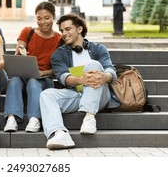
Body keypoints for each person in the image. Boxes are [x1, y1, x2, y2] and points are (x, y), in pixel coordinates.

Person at [40, 13, 119, 150]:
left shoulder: (98, 49)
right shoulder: (59, 54)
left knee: (93, 65)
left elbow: (111, 72)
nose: (64, 33)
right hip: (76, 95)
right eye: (62, 31)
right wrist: (81, 80)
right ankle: (59, 133)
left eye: (68, 29)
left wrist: (104, 77)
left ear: (79, 29)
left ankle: (89, 116)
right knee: (46, 94)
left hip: (100, 96)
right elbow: (63, 77)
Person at [3, 2, 62, 133]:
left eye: (47, 18)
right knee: (14, 81)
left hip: (44, 79)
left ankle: (34, 118)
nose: (43, 22)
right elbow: (18, 52)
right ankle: (11, 118)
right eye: (39, 18)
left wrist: (44, 73)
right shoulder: (28, 32)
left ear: (53, 17)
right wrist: (20, 52)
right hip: (24, 75)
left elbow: (58, 70)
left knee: (34, 82)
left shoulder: (59, 40)